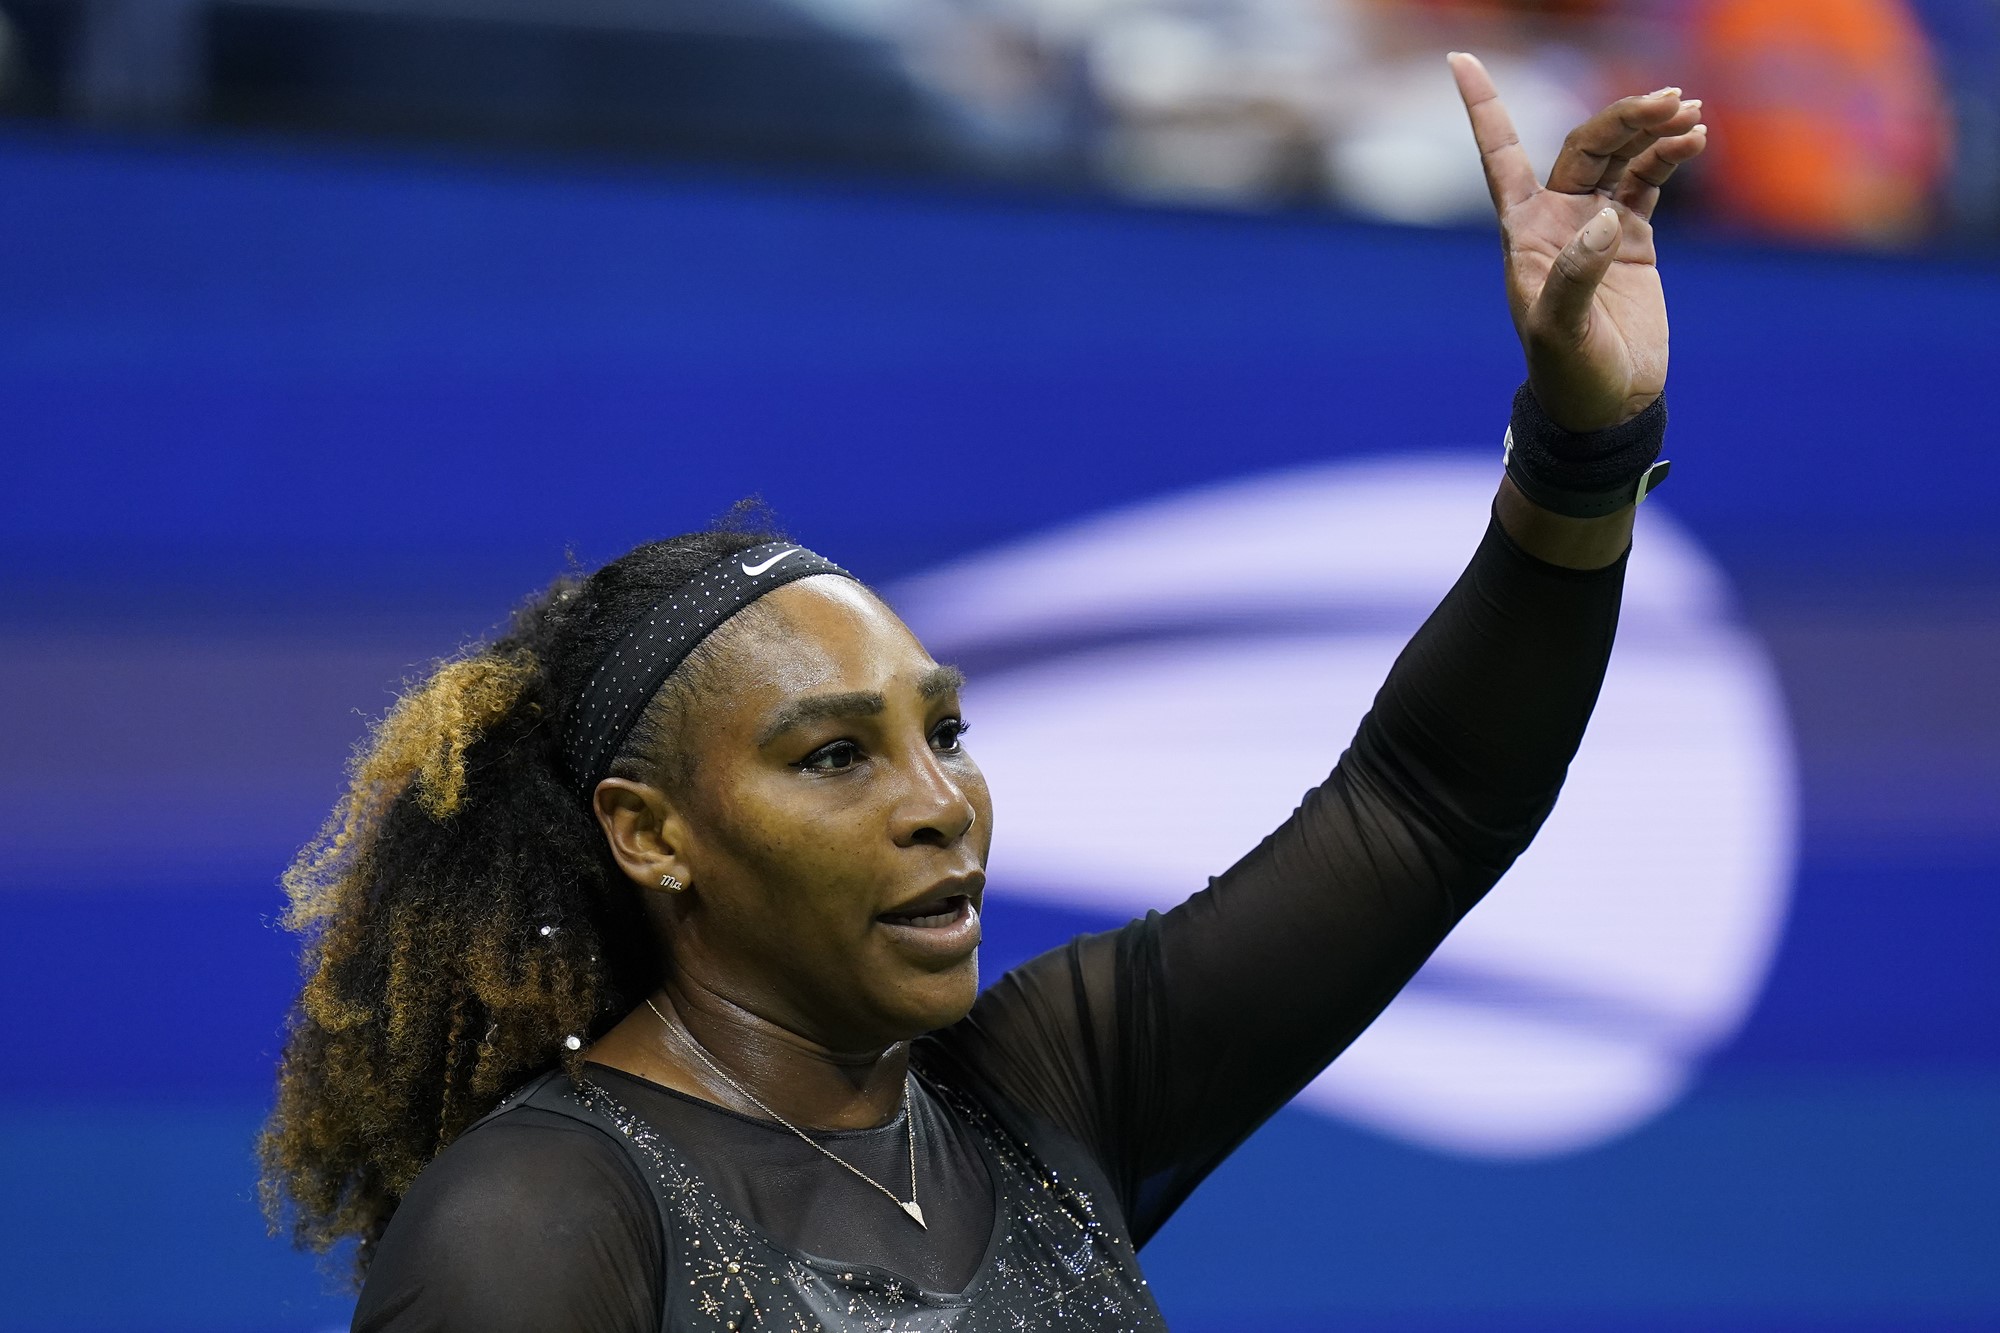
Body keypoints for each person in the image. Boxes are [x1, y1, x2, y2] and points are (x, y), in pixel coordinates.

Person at [259, 53, 1708, 1331]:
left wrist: (1582, 440)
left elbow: (1428, 802)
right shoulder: (538, 1224)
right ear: (652, 833)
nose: (938, 800)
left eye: (943, 731)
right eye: (834, 757)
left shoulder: (1036, 1090)